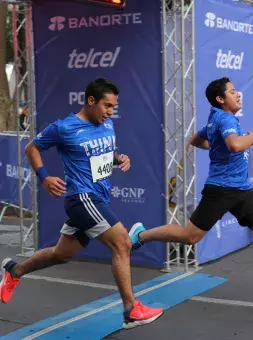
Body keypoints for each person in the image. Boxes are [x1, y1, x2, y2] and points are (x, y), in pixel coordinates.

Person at [129, 77, 253, 311]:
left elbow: (197, 140)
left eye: (237, 91)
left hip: (242, 190)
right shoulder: (224, 117)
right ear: (220, 99)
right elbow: (236, 145)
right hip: (222, 189)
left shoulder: (218, 118)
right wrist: (252, 136)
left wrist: (217, 146)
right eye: (232, 92)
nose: (238, 95)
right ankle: (141, 235)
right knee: (190, 236)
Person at [0, 78, 163, 329]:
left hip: (98, 197)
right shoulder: (64, 127)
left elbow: (105, 154)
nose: (110, 112)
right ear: (90, 101)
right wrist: (45, 178)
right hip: (82, 198)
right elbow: (31, 148)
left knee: (61, 254)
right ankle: (131, 309)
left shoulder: (107, 126)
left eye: (113, 107)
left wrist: (119, 158)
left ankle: (14, 271)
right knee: (121, 243)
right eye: (107, 106)